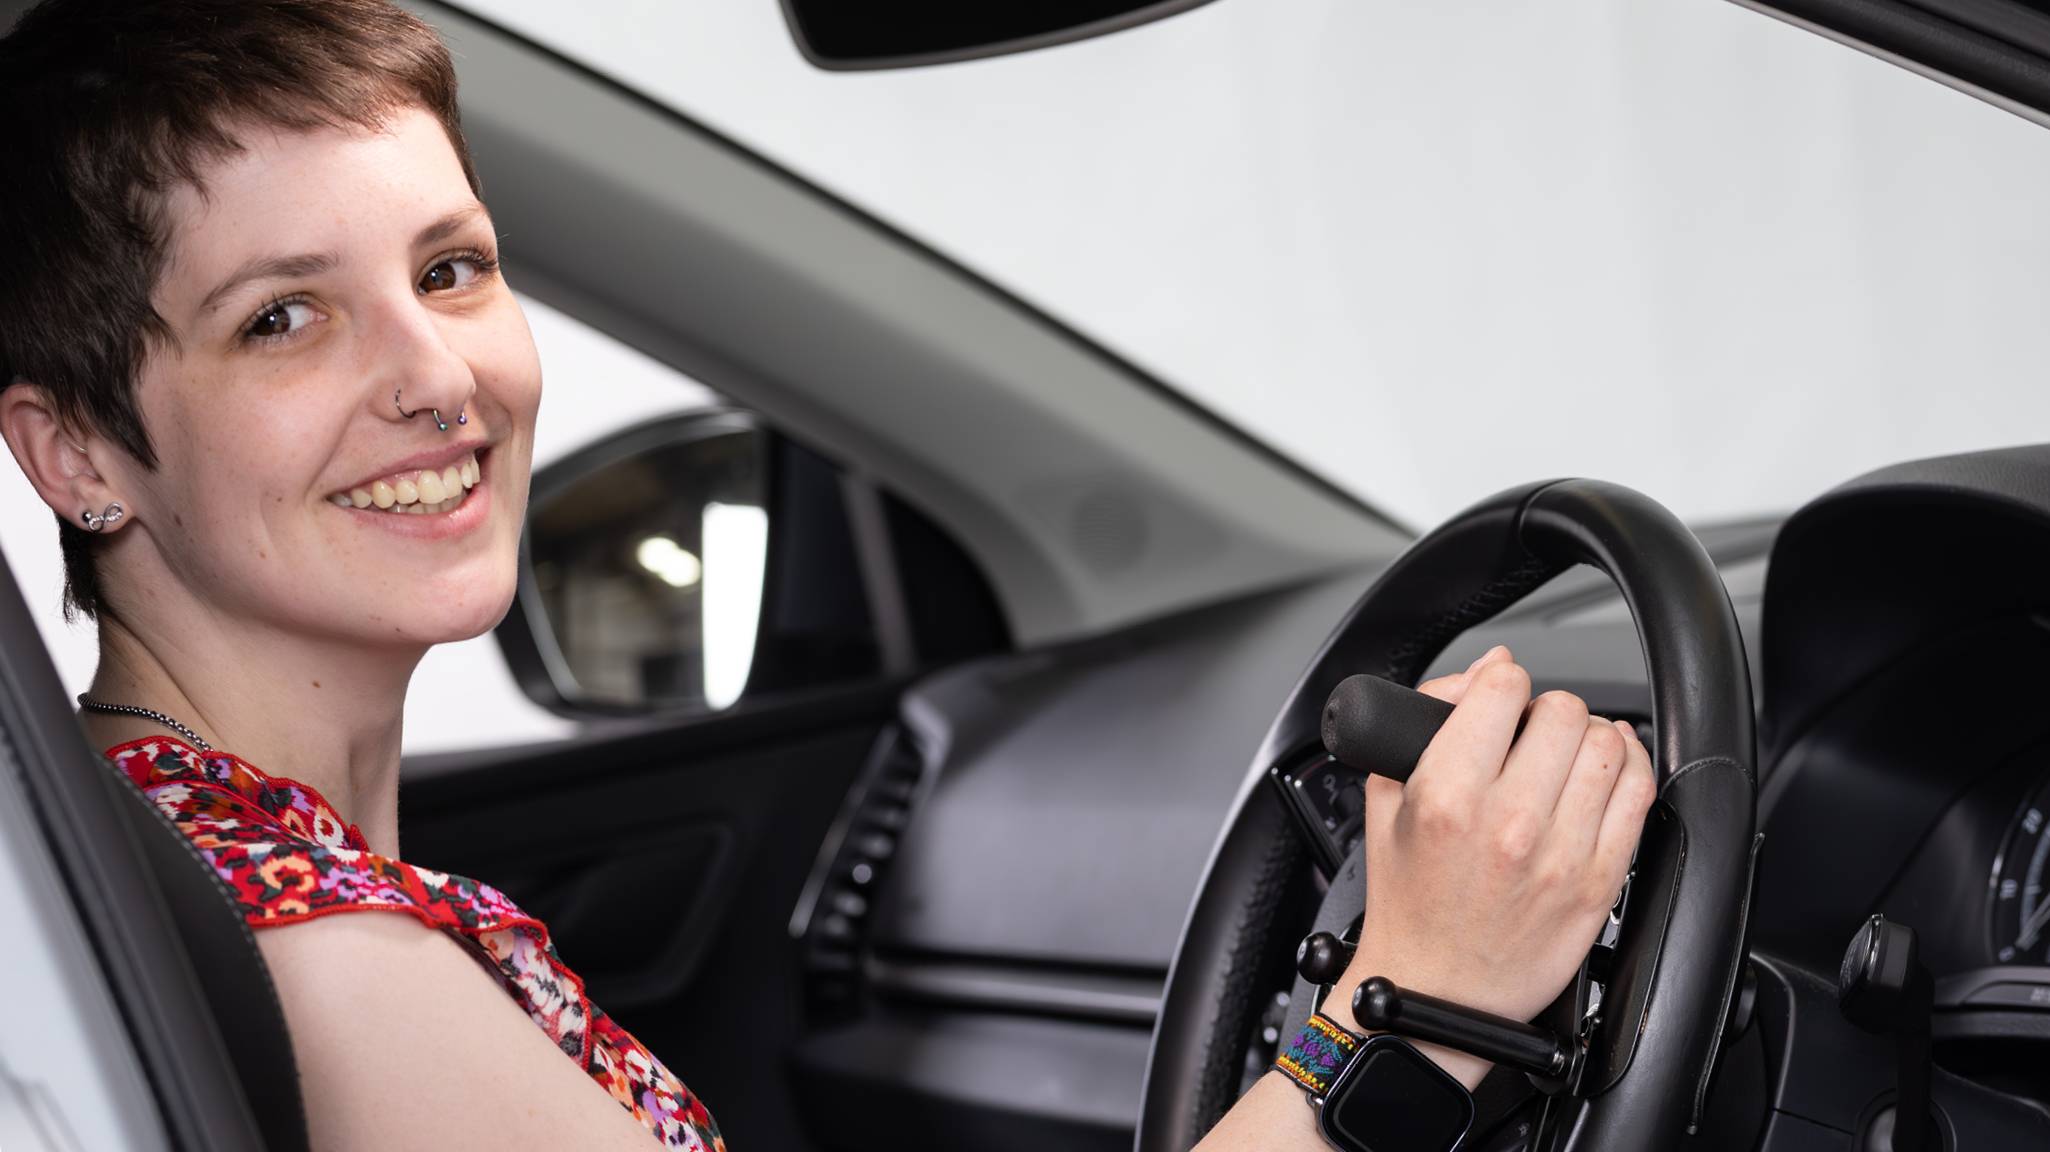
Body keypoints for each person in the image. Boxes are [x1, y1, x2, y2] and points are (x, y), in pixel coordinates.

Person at [0, 1, 1657, 1149]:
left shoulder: (158, 847)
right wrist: (1415, 1009)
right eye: (282, 316)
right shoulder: (320, 963)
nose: (436, 375)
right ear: (75, 453)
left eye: (451, 269)